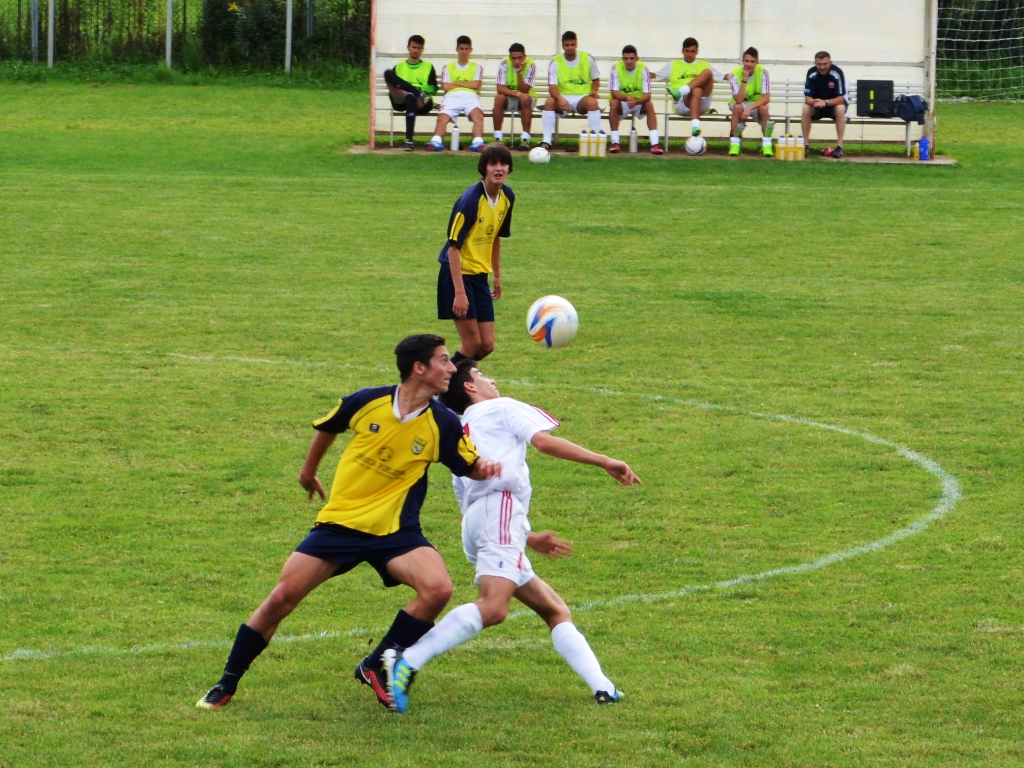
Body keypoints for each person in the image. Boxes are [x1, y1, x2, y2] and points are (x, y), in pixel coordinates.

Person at [195, 335, 501, 712]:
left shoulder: (443, 422)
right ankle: (226, 683)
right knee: (280, 599)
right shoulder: (368, 400)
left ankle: (377, 664)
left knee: (437, 588)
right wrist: (308, 472)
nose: (452, 368)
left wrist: (483, 468)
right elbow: (329, 425)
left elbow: (468, 464)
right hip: (339, 527)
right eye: (443, 361)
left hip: (395, 532)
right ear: (418, 368)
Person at [385, 360, 642, 713]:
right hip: (500, 515)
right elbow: (543, 443)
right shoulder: (501, 406)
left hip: (481, 523)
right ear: (471, 388)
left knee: (554, 609)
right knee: (493, 608)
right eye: (481, 376)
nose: (491, 379)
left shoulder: (459, 429)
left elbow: (471, 494)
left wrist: (527, 535)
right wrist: (604, 461)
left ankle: (604, 687)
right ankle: (407, 660)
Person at [437, 144, 514, 364]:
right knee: (471, 344)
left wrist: (497, 275)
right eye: (493, 164)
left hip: (480, 277)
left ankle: (453, 383)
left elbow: (495, 236)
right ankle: (441, 387)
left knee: (486, 345)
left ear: (509, 168)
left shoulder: (507, 197)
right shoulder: (470, 200)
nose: (498, 168)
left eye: (503, 163)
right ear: (484, 169)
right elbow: (453, 248)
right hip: (457, 276)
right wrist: (459, 293)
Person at [539, 31, 602, 151]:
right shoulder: (555, 62)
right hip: (563, 97)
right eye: (567, 45)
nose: (570, 48)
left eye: (572, 45)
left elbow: (596, 80)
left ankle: (595, 141)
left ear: (576, 44)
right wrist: (560, 99)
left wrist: (594, 91)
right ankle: (546, 141)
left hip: (582, 98)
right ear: (562, 46)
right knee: (549, 102)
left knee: (593, 103)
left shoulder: (587, 58)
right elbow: (552, 87)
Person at [427, 36, 485, 152]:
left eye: (466, 49)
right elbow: (445, 86)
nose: (464, 52)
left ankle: (478, 142)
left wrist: (455, 83)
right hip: (452, 97)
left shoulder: (477, 67)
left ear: (470, 50)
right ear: (457, 49)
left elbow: (476, 85)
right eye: (461, 49)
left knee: (478, 116)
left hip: (470, 97)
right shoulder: (447, 67)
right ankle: (436, 141)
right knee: (442, 117)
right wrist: (468, 84)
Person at [654, 37, 721, 138]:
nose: (690, 54)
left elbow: (723, 77)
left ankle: (681, 91)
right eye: (687, 51)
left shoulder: (704, 64)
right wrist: (640, 71)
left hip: (702, 103)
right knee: (696, 90)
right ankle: (695, 126)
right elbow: (655, 75)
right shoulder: (674, 64)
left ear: (697, 52)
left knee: (707, 72)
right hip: (683, 104)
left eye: (693, 51)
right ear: (682, 51)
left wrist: (737, 75)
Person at [383, 35, 439, 151]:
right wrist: (415, 90)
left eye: (419, 48)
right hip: (400, 99)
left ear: (422, 49)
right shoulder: (399, 67)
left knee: (411, 95)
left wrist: (417, 88)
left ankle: (409, 140)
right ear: (408, 47)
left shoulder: (428, 67)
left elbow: (433, 88)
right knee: (388, 73)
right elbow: (393, 83)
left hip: (422, 103)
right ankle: (417, 93)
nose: (416, 50)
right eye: (413, 47)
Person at [608, 45, 662, 155]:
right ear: (622, 59)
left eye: (631, 58)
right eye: (626, 58)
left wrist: (635, 102)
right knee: (614, 103)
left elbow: (648, 95)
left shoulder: (643, 69)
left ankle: (655, 144)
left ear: (637, 58)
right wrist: (626, 99)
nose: (628, 61)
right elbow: (614, 92)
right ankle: (615, 142)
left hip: (638, 102)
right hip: (622, 102)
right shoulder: (616, 68)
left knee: (649, 105)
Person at [727, 47, 774, 157]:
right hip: (740, 103)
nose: (749, 64)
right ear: (742, 61)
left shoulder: (763, 72)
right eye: (747, 61)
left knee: (764, 108)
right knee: (738, 107)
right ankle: (735, 144)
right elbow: (738, 99)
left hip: (755, 105)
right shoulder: (734, 74)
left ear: (757, 62)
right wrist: (745, 79)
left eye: (752, 61)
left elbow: (766, 98)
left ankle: (767, 144)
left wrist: (749, 108)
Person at [802, 51, 848, 158]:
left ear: (830, 63)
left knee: (841, 108)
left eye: (825, 64)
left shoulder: (837, 73)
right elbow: (807, 97)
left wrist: (826, 102)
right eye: (819, 64)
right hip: (817, 106)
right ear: (815, 63)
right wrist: (814, 102)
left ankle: (840, 147)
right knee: (806, 108)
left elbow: (840, 99)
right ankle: (805, 145)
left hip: (832, 106)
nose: (822, 67)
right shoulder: (811, 73)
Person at [493, 43, 537, 151]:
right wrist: (518, 94)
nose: (517, 61)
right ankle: (498, 138)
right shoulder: (504, 63)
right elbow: (500, 88)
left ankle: (525, 139)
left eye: (520, 58)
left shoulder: (531, 64)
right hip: (510, 98)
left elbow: (524, 90)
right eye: (514, 58)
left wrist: (519, 74)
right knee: (499, 98)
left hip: (525, 97)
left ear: (524, 56)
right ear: (510, 57)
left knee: (526, 99)